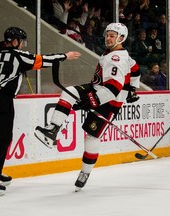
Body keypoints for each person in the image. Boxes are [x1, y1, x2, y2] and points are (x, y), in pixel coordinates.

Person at [0, 26, 81, 196]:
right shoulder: (18, 55)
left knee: (3, 137)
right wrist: (65, 56)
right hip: (2, 99)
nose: (23, 45)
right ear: (14, 41)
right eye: (21, 42)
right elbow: (41, 60)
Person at [34, 23, 141, 192]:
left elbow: (113, 90)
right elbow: (136, 69)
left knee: (91, 137)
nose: (108, 38)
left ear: (121, 38)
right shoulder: (120, 54)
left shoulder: (116, 59)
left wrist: (91, 102)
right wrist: (133, 89)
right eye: (107, 34)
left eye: (112, 35)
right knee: (70, 92)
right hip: (97, 90)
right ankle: (52, 129)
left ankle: (85, 172)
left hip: (109, 102)